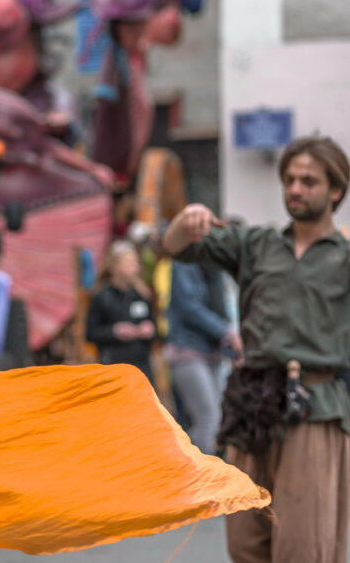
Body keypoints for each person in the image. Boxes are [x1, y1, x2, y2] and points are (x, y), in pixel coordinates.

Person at [162, 135, 350, 562]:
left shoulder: (344, 257)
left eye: (308, 181)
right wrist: (183, 220)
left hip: (314, 405)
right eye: (289, 180)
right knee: (245, 543)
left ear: (335, 191)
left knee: (303, 545)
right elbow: (171, 246)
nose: (295, 189)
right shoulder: (256, 243)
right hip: (250, 402)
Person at [165, 260, 243, 455]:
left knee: (217, 420)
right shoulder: (185, 262)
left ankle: (199, 472)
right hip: (187, 350)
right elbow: (189, 307)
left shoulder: (216, 264)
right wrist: (228, 333)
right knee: (209, 420)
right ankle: (201, 477)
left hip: (214, 351)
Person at [85, 239, 157, 381]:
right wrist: (113, 331)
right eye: (128, 263)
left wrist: (149, 330)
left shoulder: (142, 294)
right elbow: (90, 333)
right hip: (114, 367)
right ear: (115, 266)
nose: (134, 267)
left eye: (135, 263)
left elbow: (157, 330)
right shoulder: (102, 296)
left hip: (142, 368)